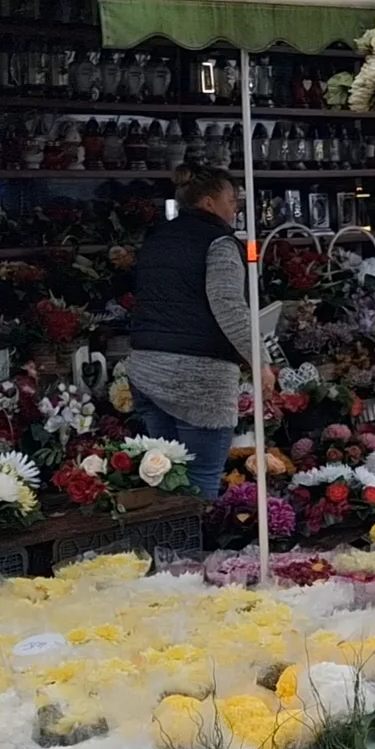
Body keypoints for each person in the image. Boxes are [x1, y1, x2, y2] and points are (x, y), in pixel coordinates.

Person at [127, 164, 274, 500]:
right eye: (231, 200)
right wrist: (260, 361)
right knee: (202, 478)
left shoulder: (158, 236)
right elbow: (228, 307)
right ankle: (197, 550)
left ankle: (168, 547)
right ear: (209, 203)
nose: (234, 208)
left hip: (146, 368)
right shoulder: (220, 243)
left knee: (163, 477)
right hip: (197, 378)